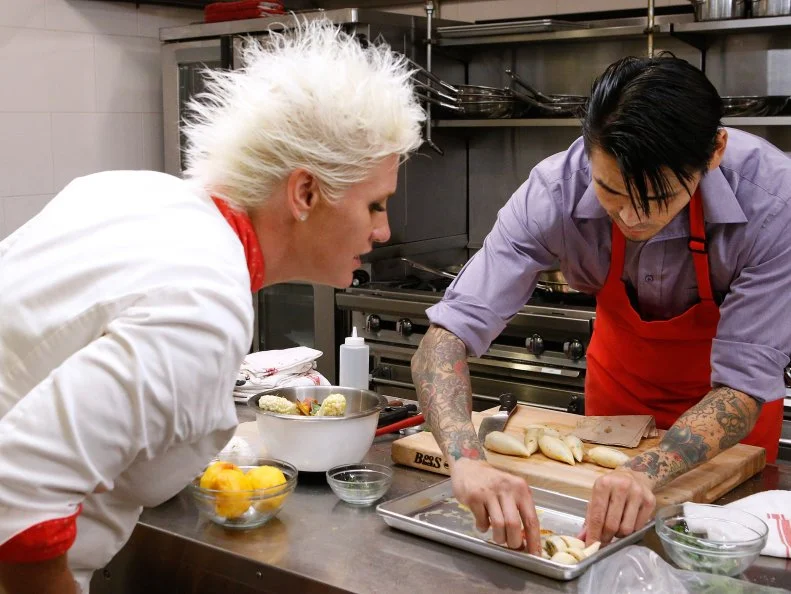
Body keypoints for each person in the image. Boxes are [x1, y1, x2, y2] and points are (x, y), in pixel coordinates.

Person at [0, 21, 423, 594]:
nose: (384, 230)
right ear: (304, 193)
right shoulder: (205, 301)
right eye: (375, 204)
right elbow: (19, 494)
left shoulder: (138, 193)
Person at [411, 54, 790, 556]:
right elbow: (444, 340)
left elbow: (743, 387)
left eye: (658, 198)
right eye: (610, 190)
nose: (631, 217)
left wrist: (645, 473)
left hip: (730, 424)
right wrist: (466, 459)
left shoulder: (774, 202)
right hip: (618, 394)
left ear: (714, 151)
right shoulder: (553, 193)